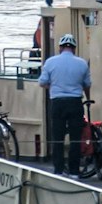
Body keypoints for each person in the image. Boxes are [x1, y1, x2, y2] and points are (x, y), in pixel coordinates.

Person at [37, 34, 91, 174]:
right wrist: (88, 99)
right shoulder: (82, 63)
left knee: (58, 138)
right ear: (74, 48)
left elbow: (42, 82)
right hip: (75, 103)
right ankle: (74, 172)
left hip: (58, 103)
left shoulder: (50, 62)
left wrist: (53, 87)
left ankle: (58, 170)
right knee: (75, 139)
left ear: (60, 48)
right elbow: (87, 85)